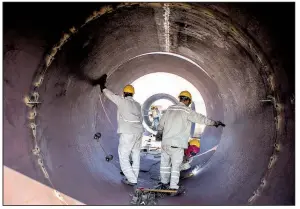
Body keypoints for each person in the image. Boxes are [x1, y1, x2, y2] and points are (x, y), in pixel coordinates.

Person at [155, 90, 225, 194]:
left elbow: (161, 123)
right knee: (175, 166)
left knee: (164, 164)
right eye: (189, 102)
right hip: (177, 144)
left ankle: (163, 183)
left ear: (180, 98)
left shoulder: (169, 109)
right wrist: (214, 123)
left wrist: (159, 133)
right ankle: (173, 187)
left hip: (165, 143)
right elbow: (201, 119)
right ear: (187, 100)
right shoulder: (187, 111)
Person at [96, 74, 144, 186]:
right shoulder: (137, 104)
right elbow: (141, 119)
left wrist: (102, 86)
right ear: (133, 94)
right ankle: (134, 176)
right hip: (139, 132)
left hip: (128, 133)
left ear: (124, 93)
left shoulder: (122, 101)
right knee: (136, 155)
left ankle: (132, 179)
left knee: (123, 156)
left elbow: (110, 95)